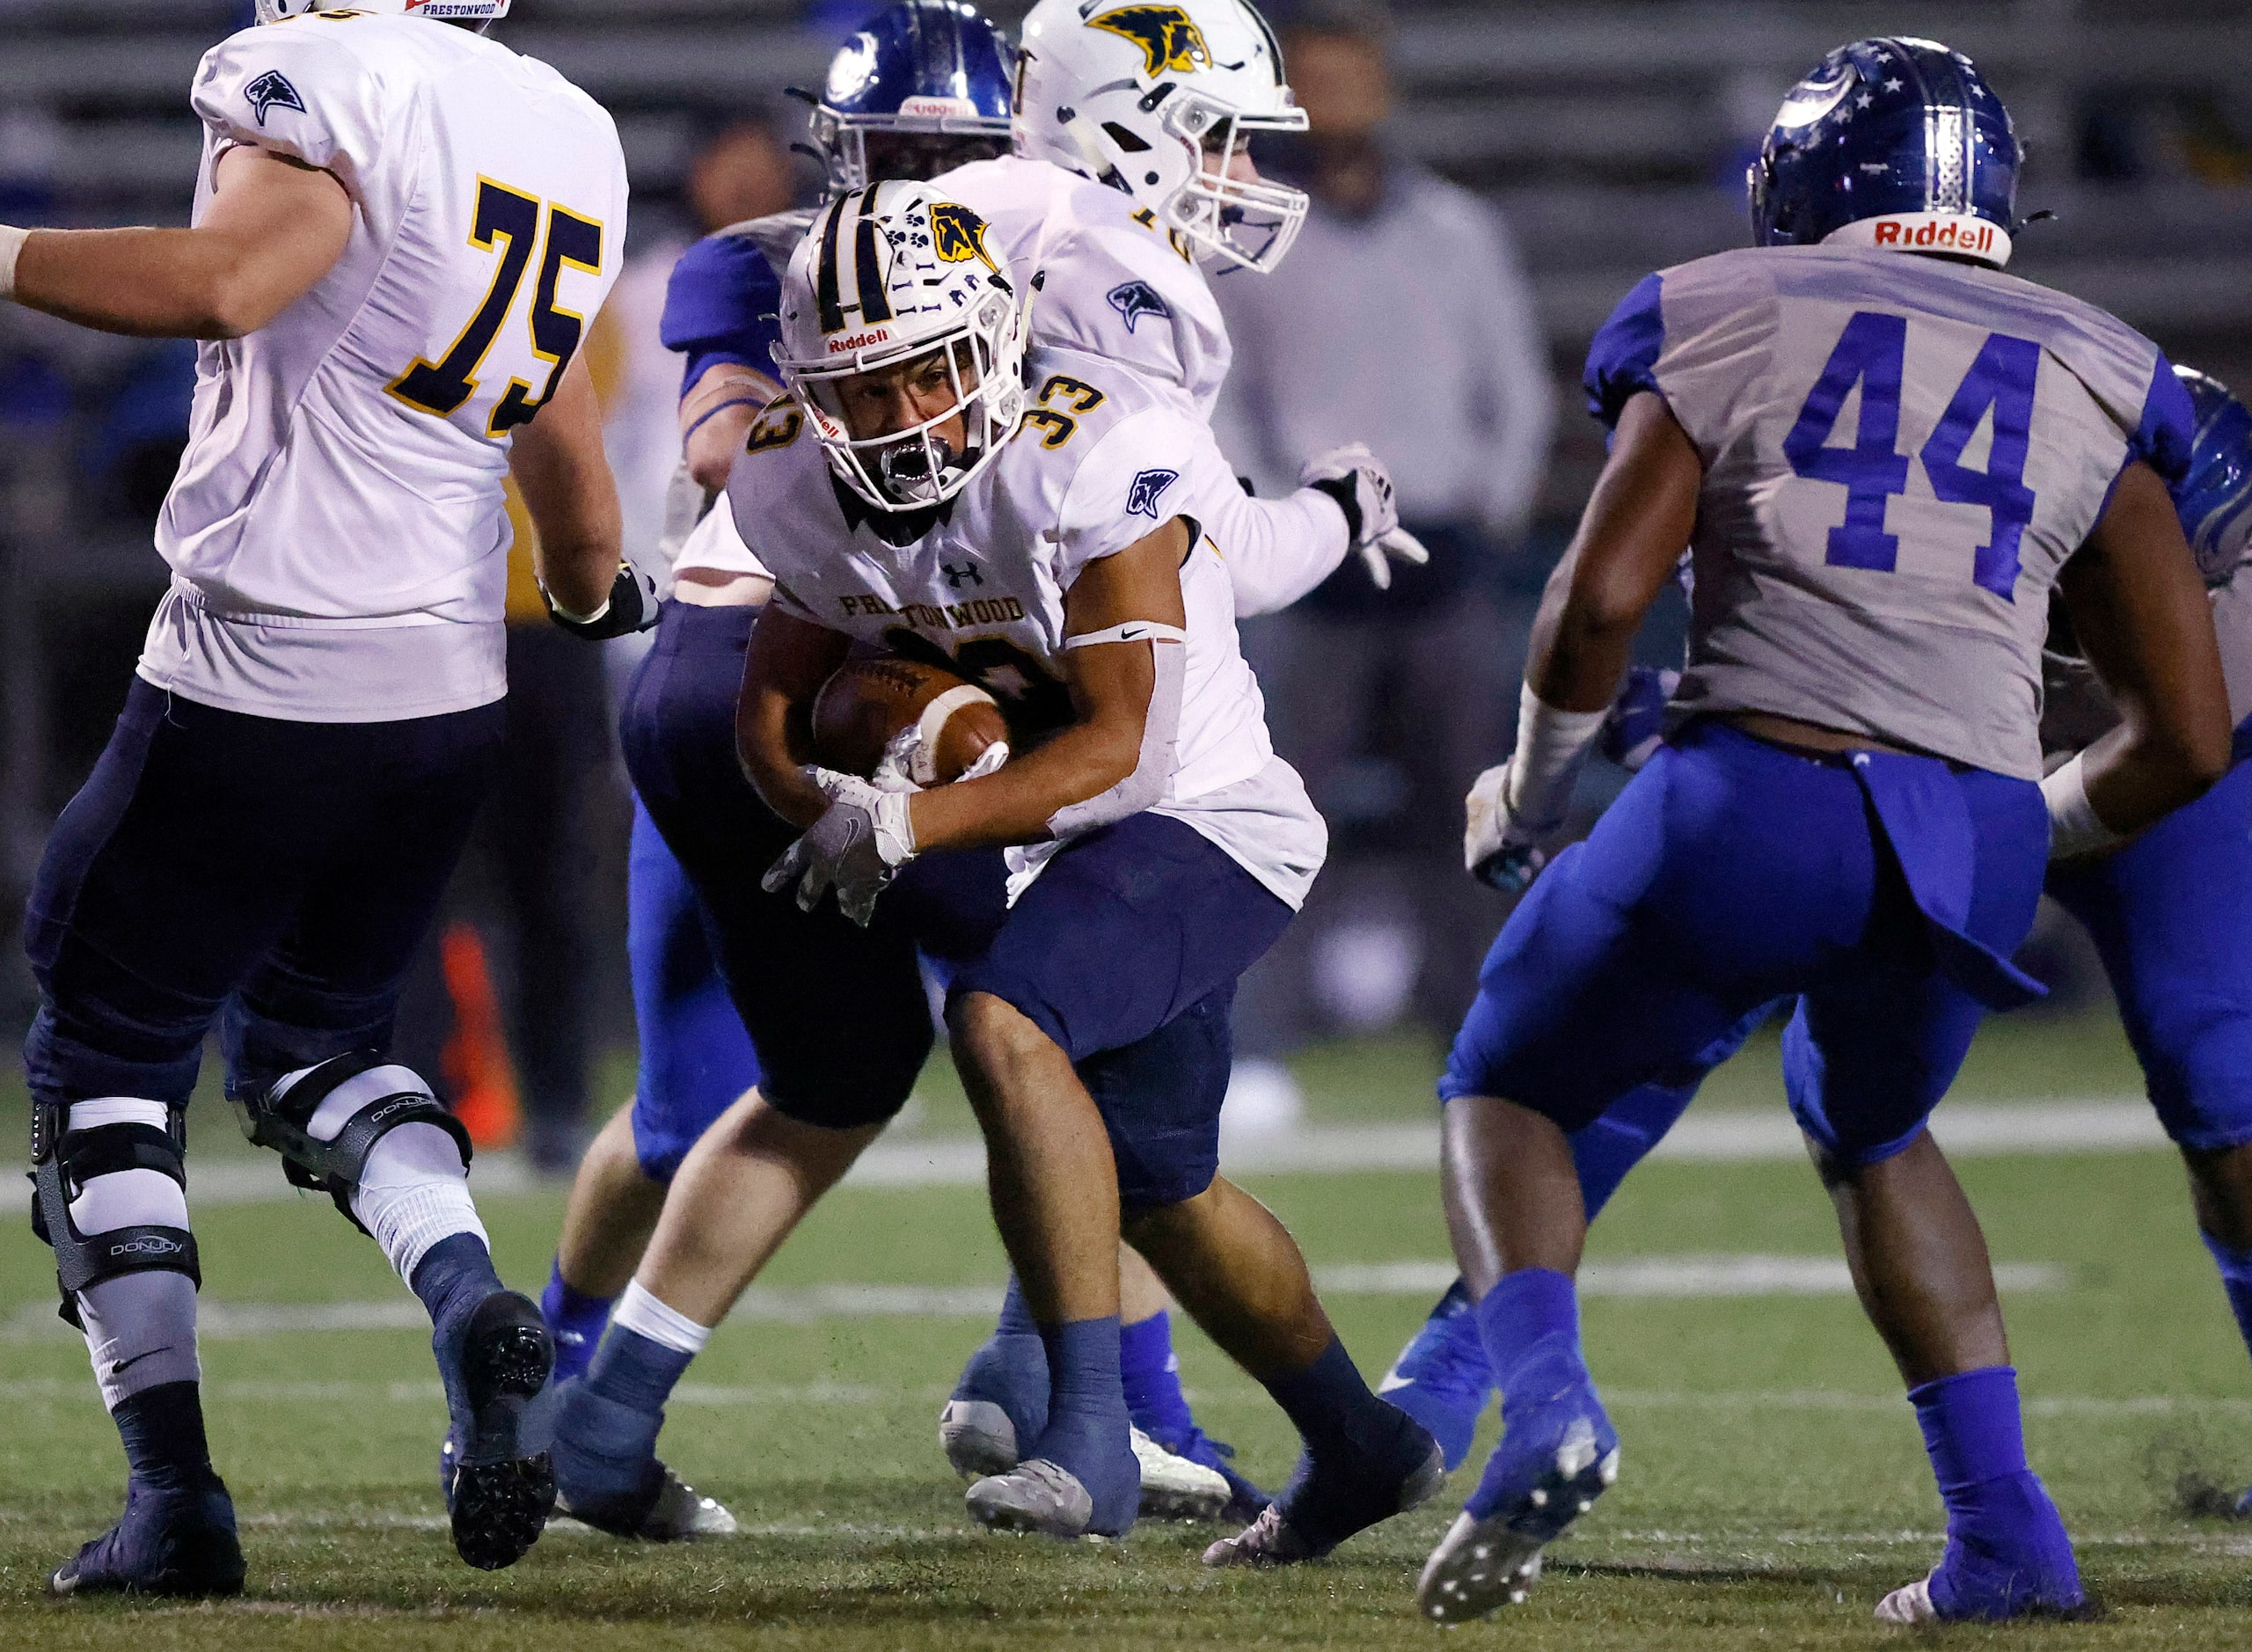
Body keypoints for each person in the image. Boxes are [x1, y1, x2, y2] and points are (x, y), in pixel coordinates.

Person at [1413, 38, 2232, 1626]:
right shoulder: (2103, 358)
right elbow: (2185, 732)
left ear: (1804, 187)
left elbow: (1593, 600)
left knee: (1504, 1086)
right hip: (1977, 826)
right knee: (1869, 1131)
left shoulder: (1727, 304)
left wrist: (1532, 786)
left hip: (1759, 789)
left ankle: (1544, 1403)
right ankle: (2005, 1534)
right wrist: (2030, 832)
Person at [552, 178, 1441, 1561]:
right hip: (1047, 831)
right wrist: (828, 798)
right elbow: (769, 712)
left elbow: (1127, 753)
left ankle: (1084, 1430)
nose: (895, 418)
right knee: (1163, 1185)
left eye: (923, 372)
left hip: (1201, 820)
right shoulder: (791, 472)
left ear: (998, 342)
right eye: (856, 389)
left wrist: (908, 824)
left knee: (1001, 1018)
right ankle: (1363, 1442)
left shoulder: (1097, 450)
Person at [2, 0, 639, 1594]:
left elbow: (230, 277)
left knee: (105, 1051)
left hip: (264, 658)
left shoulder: (334, 76)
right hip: (445, 683)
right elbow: (555, 430)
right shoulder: (563, 121)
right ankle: (472, 1298)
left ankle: (175, 1498)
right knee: (321, 1049)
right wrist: (585, 584)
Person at [1211, 0, 1555, 1062]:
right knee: (1273, 815)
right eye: (1312, 78)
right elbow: (1225, 400)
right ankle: (1259, 1048)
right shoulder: (1247, 231)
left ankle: (1486, 1029)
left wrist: (1488, 513)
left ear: (1385, 86)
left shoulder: (1457, 227)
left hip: (1446, 561)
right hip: (1311, 572)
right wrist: (1287, 523)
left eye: (1352, 75)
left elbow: (1517, 390)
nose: (1335, 98)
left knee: (1475, 818)